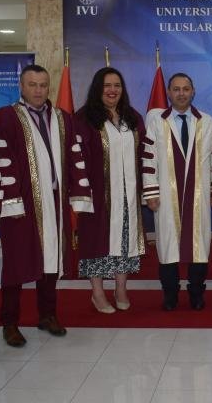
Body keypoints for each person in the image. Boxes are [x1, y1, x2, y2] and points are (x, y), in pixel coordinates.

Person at [0, 64, 93, 346]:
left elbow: (74, 154)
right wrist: (8, 201)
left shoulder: (62, 117)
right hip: (20, 205)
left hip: (54, 202)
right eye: (32, 84)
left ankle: (47, 315)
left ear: (49, 87)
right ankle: (9, 322)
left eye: (43, 85)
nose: (38, 90)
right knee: (15, 264)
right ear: (21, 86)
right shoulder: (6, 117)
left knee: (51, 261)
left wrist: (78, 193)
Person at [74, 67, 145, 313]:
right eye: (107, 85)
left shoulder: (132, 117)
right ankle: (97, 292)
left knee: (125, 241)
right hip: (98, 195)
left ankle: (121, 288)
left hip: (128, 194)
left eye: (117, 85)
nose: (112, 90)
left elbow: (144, 153)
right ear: (97, 88)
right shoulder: (84, 118)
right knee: (96, 242)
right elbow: (76, 159)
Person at [143, 73, 212, 311]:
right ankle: (170, 294)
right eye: (176, 89)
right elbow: (148, 159)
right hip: (166, 194)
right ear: (169, 92)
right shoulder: (156, 122)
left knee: (199, 246)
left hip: (198, 195)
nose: (181, 93)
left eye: (186, 89)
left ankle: (196, 293)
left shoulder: (207, 121)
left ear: (193, 92)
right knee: (167, 247)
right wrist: (151, 192)